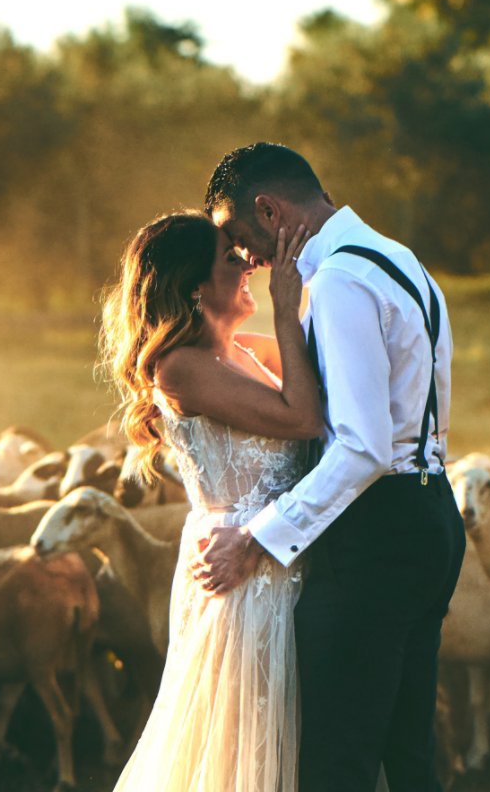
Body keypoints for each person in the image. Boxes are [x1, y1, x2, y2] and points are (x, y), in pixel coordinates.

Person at [200, 142, 466, 792]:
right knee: (408, 760)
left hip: (374, 536)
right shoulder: (398, 259)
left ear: (269, 208)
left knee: (335, 764)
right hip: (430, 513)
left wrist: (260, 537)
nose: (247, 260)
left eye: (240, 237)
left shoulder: (341, 281)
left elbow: (362, 447)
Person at [99, 209, 320, 792]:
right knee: (244, 743)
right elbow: (303, 415)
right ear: (194, 286)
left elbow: (324, 373)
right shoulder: (182, 368)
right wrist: (285, 305)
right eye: (232, 258)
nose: (248, 265)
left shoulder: (237, 350)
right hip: (244, 578)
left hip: (280, 557)